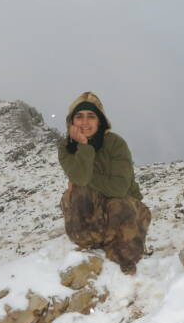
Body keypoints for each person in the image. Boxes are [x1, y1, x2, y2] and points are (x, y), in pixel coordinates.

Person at [58, 91, 151, 275]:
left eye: (91, 116)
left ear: (100, 121)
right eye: (79, 116)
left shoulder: (116, 144)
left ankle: (122, 255)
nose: (85, 122)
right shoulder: (67, 148)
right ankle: (92, 244)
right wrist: (83, 146)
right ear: (71, 122)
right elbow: (81, 181)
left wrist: (82, 179)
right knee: (76, 193)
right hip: (91, 215)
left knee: (118, 203)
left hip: (125, 211)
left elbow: (119, 188)